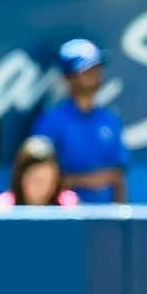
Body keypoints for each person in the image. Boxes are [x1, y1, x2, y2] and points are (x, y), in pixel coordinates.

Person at [32, 39, 128, 204]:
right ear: (67, 78)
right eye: (86, 70)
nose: (95, 75)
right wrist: (89, 180)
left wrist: (120, 221)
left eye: (97, 68)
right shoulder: (50, 122)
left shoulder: (111, 120)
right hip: (64, 220)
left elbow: (119, 176)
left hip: (106, 222)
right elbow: (39, 177)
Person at [0, 135, 80, 207]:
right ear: (20, 178)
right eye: (37, 180)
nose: (45, 188)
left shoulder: (68, 206)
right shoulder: (4, 208)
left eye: (51, 181)